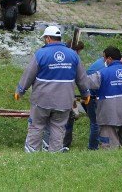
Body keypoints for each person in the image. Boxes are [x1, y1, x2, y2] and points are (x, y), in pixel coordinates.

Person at [16, 24, 89, 153]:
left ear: (48, 38)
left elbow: (29, 74)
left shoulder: (41, 54)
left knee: (36, 126)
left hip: (42, 101)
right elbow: (81, 77)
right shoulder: (73, 55)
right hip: (64, 101)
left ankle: (31, 155)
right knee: (58, 128)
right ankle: (54, 155)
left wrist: (20, 90)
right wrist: (85, 93)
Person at [84, 46, 122, 149]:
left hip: (109, 113)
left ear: (109, 59)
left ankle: (111, 163)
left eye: (104, 58)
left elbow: (87, 83)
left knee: (109, 144)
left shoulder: (102, 73)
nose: (104, 61)